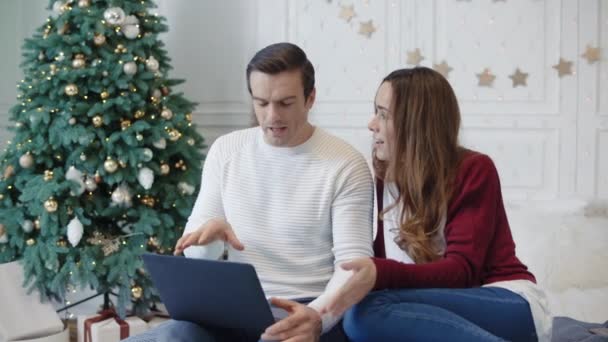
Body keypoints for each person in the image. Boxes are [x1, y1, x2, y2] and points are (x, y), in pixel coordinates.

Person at [125, 42, 373, 342]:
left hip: (306, 307)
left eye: (285, 103)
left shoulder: (346, 164)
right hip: (234, 309)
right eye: (261, 102)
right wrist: (212, 240)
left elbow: (355, 268)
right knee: (172, 335)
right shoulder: (226, 150)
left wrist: (318, 318)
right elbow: (193, 254)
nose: (271, 117)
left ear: (310, 98)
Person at [321, 67, 552, 341]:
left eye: (383, 114)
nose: (372, 124)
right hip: (438, 307)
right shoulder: (384, 180)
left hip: (507, 301)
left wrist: (379, 273)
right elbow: (388, 267)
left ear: (415, 123)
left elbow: (462, 272)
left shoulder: (475, 169)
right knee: (360, 315)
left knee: (368, 312)